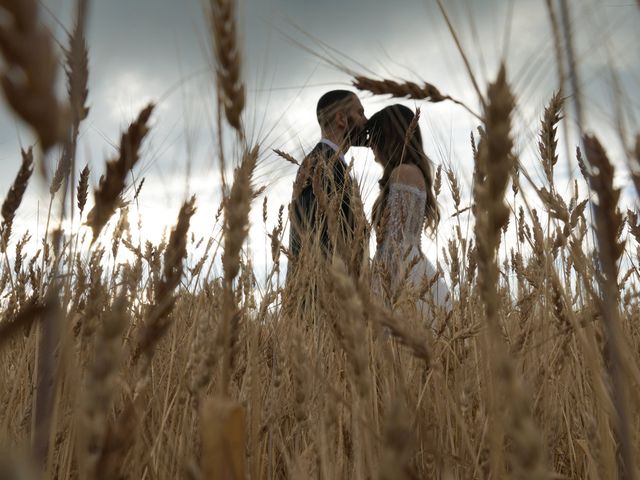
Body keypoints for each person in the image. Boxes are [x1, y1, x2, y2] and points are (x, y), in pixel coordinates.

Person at [368, 104, 450, 325]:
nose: (371, 147)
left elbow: (394, 239)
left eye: (374, 138)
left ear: (388, 137)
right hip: (412, 266)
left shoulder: (402, 173)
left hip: (400, 272)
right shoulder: (413, 172)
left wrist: (378, 288)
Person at [287, 90, 369, 281]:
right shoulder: (326, 165)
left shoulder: (319, 161)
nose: (366, 121)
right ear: (341, 119)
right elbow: (326, 237)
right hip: (326, 292)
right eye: (360, 113)